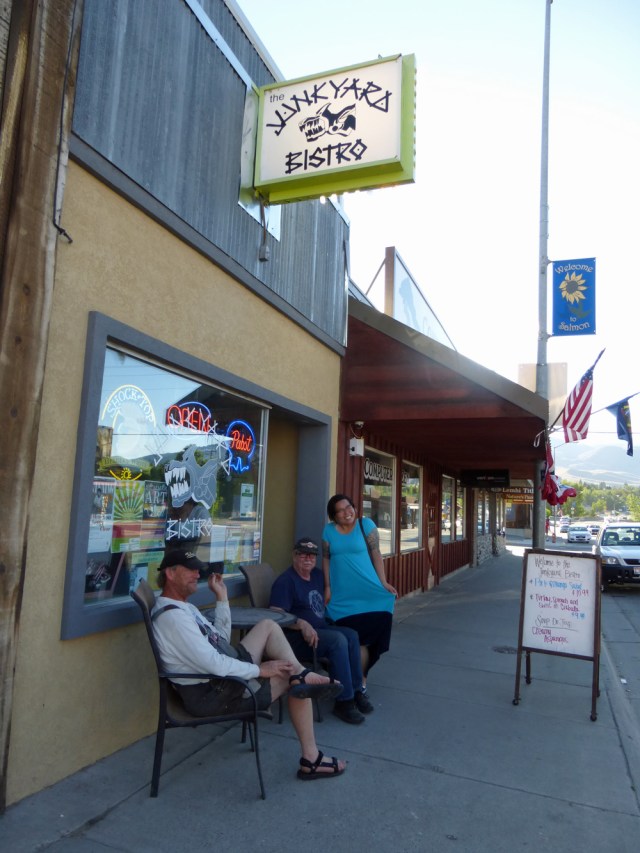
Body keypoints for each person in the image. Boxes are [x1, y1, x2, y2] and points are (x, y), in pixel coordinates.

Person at [151, 549, 347, 781]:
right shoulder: (173, 618)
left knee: (267, 625)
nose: (197, 574)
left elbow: (220, 641)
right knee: (288, 677)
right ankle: (311, 759)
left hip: (219, 679)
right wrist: (261, 670)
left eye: (197, 569)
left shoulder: (185, 607)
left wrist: (222, 598)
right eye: (190, 570)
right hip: (212, 694)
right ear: (170, 574)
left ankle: (301, 674)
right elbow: (214, 664)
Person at [269, 537, 374, 725]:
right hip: (295, 639)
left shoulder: (317, 575)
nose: (307, 558)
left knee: (351, 635)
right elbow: (276, 615)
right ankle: (344, 702)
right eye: (303, 555)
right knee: (338, 641)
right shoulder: (286, 581)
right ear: (294, 556)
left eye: (311, 555)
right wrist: (300, 623)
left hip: (321, 630)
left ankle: (356, 691)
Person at [322, 494, 397, 699]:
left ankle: (361, 678)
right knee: (355, 639)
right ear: (333, 515)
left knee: (371, 640)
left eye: (349, 507)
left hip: (368, 592)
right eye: (340, 510)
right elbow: (326, 559)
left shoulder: (366, 525)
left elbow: (376, 555)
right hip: (342, 596)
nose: (347, 512)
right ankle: (352, 679)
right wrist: (327, 586)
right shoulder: (328, 531)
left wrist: (383, 583)